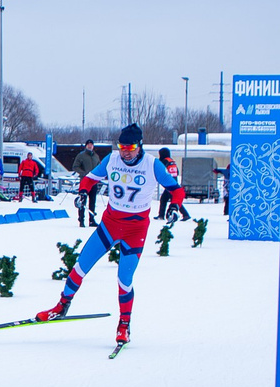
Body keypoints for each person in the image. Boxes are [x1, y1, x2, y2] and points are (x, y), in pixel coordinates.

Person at [34, 124, 155, 347]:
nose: (125, 152)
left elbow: (176, 190)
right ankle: (61, 307)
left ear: (139, 146)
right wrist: (82, 192)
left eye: (129, 147)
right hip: (109, 225)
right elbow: (90, 178)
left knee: (124, 280)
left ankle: (124, 325)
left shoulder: (152, 164)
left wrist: (175, 206)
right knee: (80, 266)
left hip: (135, 230)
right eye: (121, 147)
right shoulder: (112, 159)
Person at [156, 147, 192, 222]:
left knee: (173, 200)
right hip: (173, 182)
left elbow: (161, 169)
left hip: (169, 184)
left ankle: (185, 214)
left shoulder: (164, 161)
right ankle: (161, 215)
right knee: (165, 199)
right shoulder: (172, 161)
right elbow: (177, 172)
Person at [75, 146, 101, 227]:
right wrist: (83, 173)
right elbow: (75, 166)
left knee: (92, 202)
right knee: (83, 201)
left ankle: (92, 220)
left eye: (91, 144)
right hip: (84, 182)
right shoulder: (81, 155)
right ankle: (81, 219)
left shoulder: (96, 156)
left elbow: (99, 166)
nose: (90, 146)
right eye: (88, 144)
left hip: (93, 182)